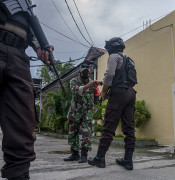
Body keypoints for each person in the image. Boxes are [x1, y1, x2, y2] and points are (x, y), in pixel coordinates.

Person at [0, 1, 53, 179]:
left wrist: (41, 46)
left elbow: (28, 23)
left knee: (23, 123)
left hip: (19, 55)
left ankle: (20, 174)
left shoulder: (26, 2)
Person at [88, 37, 136, 170]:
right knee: (129, 128)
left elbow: (109, 75)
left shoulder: (114, 57)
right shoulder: (127, 60)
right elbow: (124, 78)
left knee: (109, 126)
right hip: (131, 93)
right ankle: (128, 160)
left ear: (111, 48)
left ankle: (100, 158)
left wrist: (103, 92)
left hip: (119, 94)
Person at [64, 65, 102, 163]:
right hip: (75, 111)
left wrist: (96, 97)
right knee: (73, 133)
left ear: (89, 75)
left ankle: (84, 155)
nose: (85, 79)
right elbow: (74, 91)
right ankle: (75, 154)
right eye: (83, 77)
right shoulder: (74, 81)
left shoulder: (93, 83)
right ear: (79, 74)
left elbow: (96, 98)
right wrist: (87, 86)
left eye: (86, 77)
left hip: (87, 112)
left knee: (86, 133)